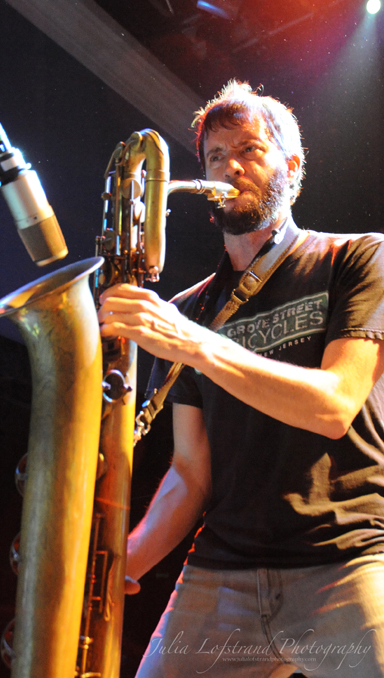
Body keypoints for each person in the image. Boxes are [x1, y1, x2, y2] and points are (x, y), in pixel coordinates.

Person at [98, 80, 384, 677]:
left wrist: (193, 344)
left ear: (292, 165)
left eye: (250, 150)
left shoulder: (358, 257)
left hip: (347, 557)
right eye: (215, 157)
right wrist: (119, 563)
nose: (230, 167)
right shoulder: (187, 310)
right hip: (221, 569)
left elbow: (334, 406)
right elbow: (190, 472)